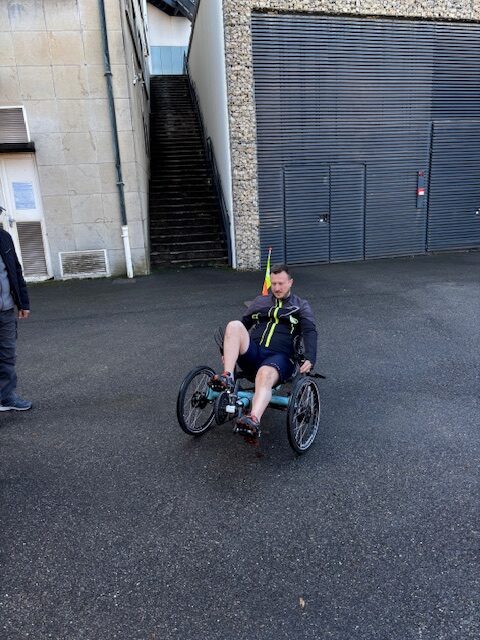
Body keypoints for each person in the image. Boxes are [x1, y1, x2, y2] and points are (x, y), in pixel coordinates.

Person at [209, 264, 317, 438]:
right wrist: (228, 350)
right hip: (254, 353)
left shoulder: (301, 306)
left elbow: (310, 331)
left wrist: (310, 357)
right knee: (234, 325)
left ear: (290, 282)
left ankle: (253, 419)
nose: (277, 288)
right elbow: (243, 325)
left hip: (280, 358)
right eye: (274, 284)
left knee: (264, 374)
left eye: (281, 283)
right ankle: (227, 377)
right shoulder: (260, 302)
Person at [0, 229, 32, 411]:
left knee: (7, 354)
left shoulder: (4, 237)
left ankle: (6, 397)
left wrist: (23, 303)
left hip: (5, 310)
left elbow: (15, 270)